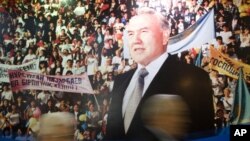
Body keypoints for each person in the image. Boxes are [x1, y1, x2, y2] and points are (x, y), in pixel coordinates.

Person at [105, 7, 214, 141]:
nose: (136, 40)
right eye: (131, 34)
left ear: (164, 36)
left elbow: (203, 135)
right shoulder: (120, 81)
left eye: (144, 31)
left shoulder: (194, 78)